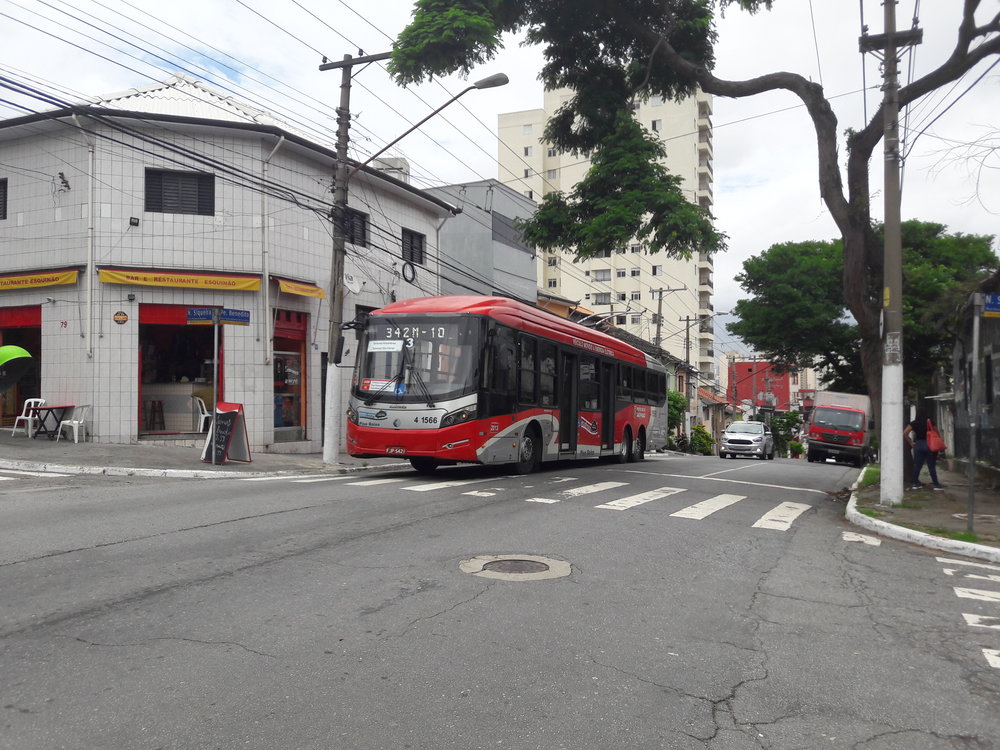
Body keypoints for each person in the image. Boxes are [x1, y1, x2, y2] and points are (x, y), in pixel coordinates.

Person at [903, 411, 944, 490]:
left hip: (918, 444)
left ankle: (915, 483)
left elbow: (905, 433)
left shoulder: (914, 423)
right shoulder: (930, 422)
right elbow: (937, 433)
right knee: (931, 465)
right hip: (930, 444)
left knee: (917, 465)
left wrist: (911, 442)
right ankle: (936, 485)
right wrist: (939, 442)